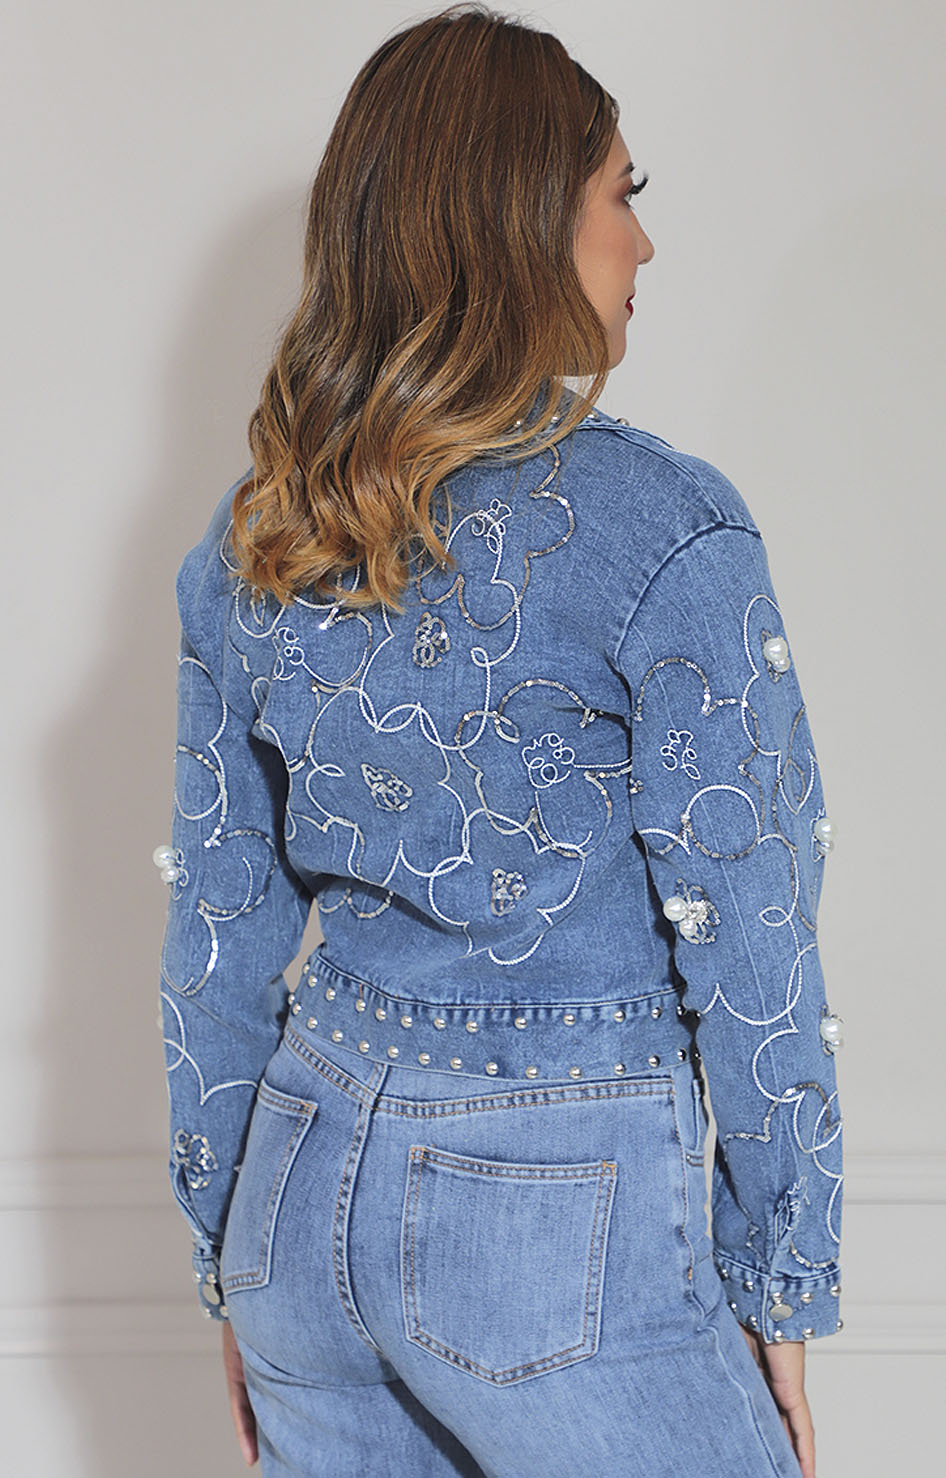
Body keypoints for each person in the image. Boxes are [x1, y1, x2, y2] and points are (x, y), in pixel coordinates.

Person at [154, 6, 844, 1475]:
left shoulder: (259, 536)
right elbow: (754, 932)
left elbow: (215, 935)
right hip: (552, 1225)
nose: (643, 243)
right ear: (523, 221)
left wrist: (234, 1254)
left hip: (301, 1194)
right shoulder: (664, 529)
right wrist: (781, 1273)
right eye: (621, 195)